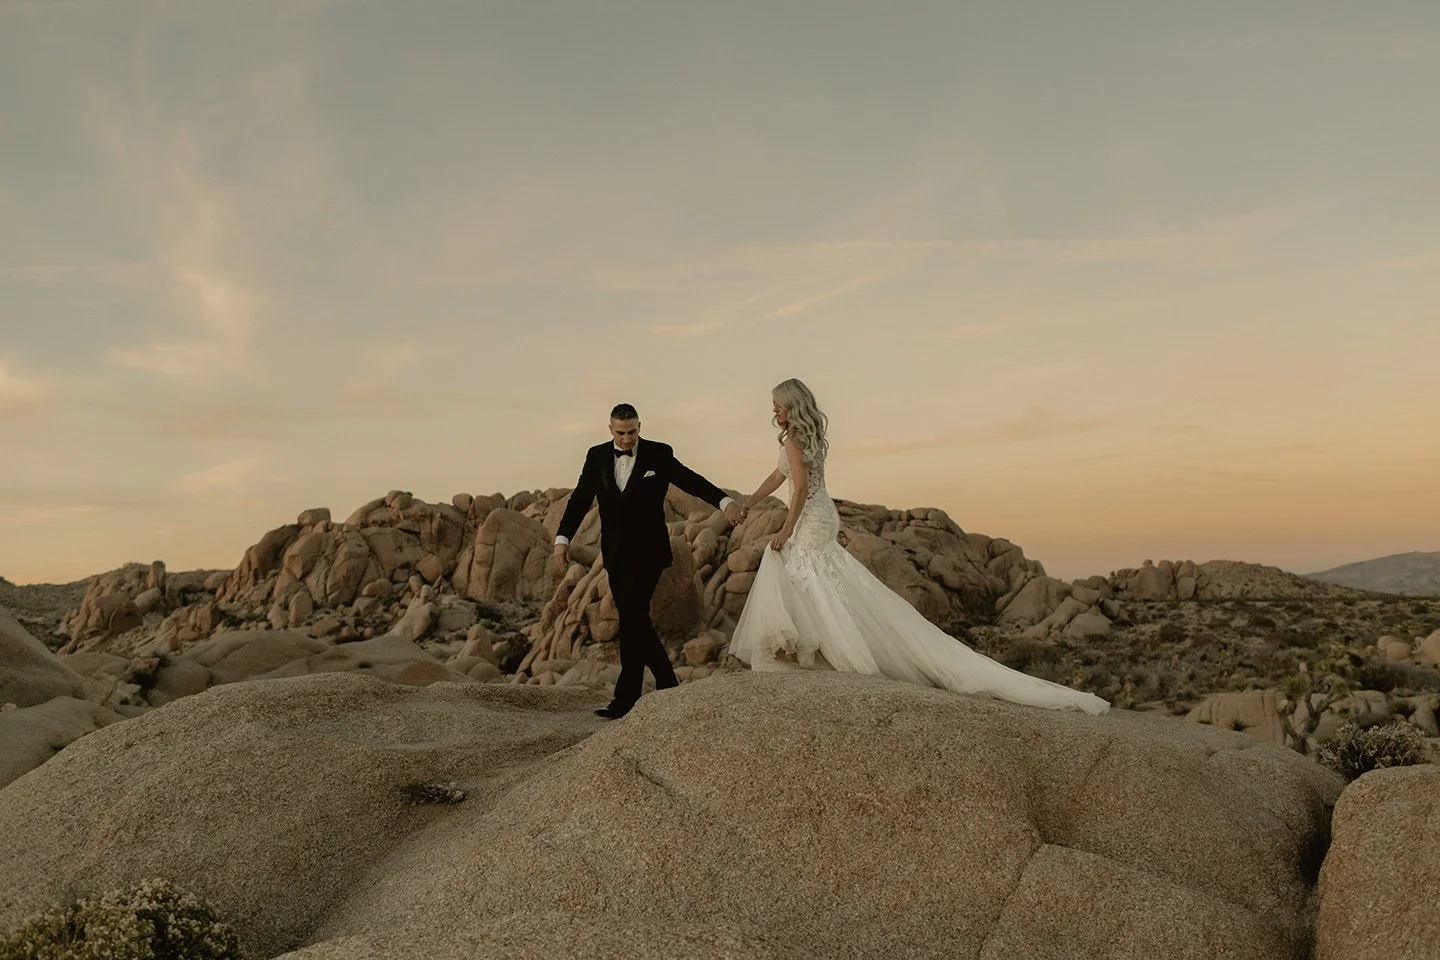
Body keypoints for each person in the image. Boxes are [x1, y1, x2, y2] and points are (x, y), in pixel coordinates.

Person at [729, 379, 1108, 715]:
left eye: (777, 403)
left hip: (810, 515)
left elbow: (796, 491)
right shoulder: (802, 438)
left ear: (792, 405)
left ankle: (832, 653)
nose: (773, 409)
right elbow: (778, 477)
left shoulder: (796, 440)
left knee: (797, 566)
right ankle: (819, 648)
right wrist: (751, 501)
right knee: (818, 577)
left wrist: (784, 528)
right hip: (820, 512)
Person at [554, 403, 742, 719]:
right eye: (621, 433)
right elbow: (579, 500)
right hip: (615, 553)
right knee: (635, 619)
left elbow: (690, 480)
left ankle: (625, 699)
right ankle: (668, 684)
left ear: (640, 427)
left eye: (632, 432)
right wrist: (562, 539)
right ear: (610, 429)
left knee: (631, 618)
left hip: (649, 553)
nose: (627, 439)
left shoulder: (659, 453)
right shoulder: (596, 456)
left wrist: (725, 502)